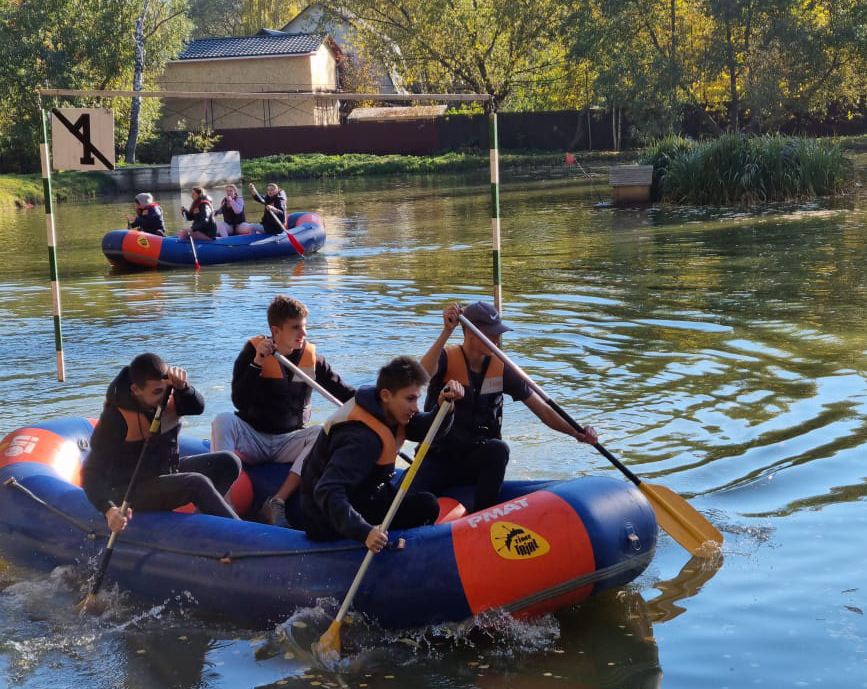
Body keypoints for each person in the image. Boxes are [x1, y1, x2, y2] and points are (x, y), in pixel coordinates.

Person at [413, 301, 598, 512]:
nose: (497, 339)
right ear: (472, 333)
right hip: (438, 458)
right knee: (408, 503)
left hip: (475, 461)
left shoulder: (501, 369)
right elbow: (419, 377)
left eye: (498, 333)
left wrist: (576, 432)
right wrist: (446, 332)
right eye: (491, 334)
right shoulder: (446, 358)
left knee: (498, 449)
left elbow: (544, 411)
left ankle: (485, 515)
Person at [211, 295, 355, 527]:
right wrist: (257, 363)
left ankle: (276, 501)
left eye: (304, 326)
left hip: (289, 441)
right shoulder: (252, 353)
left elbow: (345, 394)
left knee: (323, 432)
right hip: (254, 440)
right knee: (223, 420)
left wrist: (378, 402)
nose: (303, 333)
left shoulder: (314, 360)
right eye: (296, 327)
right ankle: (224, 505)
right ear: (275, 331)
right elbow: (239, 401)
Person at [301, 356, 465, 551]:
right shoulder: (361, 438)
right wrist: (365, 532)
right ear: (386, 395)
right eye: (410, 399)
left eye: (417, 398)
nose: (415, 407)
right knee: (425, 505)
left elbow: (429, 429)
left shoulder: (389, 410)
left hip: (362, 494)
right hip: (325, 517)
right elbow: (327, 490)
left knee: (426, 504)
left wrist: (445, 406)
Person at [82, 353, 241, 535]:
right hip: (129, 490)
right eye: (157, 392)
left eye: (167, 390)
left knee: (229, 462)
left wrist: (184, 388)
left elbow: (197, 407)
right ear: (136, 390)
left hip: (165, 472)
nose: (164, 396)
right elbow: (91, 474)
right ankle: (242, 534)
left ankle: (206, 523)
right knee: (196, 482)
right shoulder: (116, 418)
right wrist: (109, 509)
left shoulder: (169, 396)